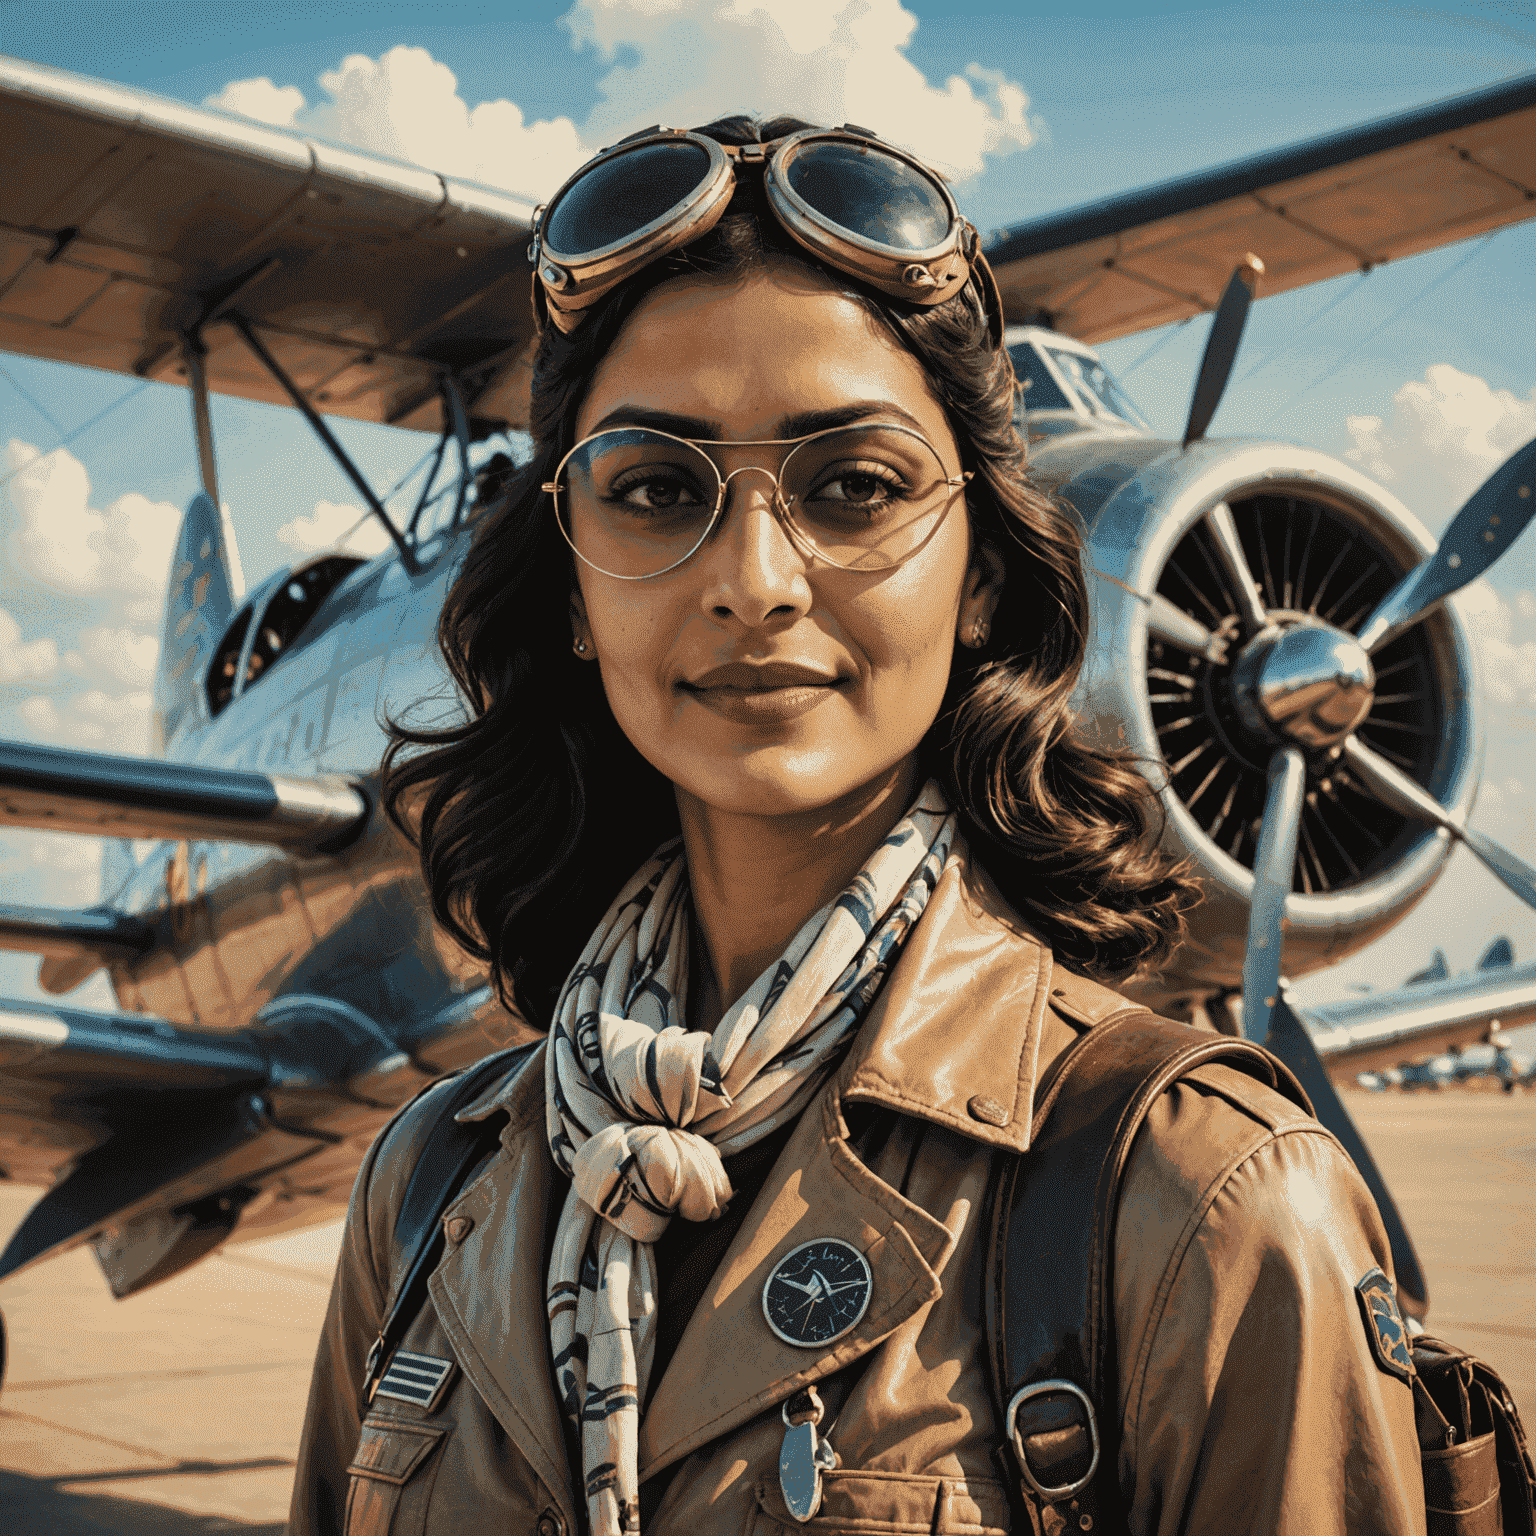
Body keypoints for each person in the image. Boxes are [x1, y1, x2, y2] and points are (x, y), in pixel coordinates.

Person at [289, 116, 1425, 1536]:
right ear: (574, 591)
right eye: (653, 488)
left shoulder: (1209, 1197)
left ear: (985, 582)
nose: (757, 579)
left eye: (857, 486)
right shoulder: (425, 1186)